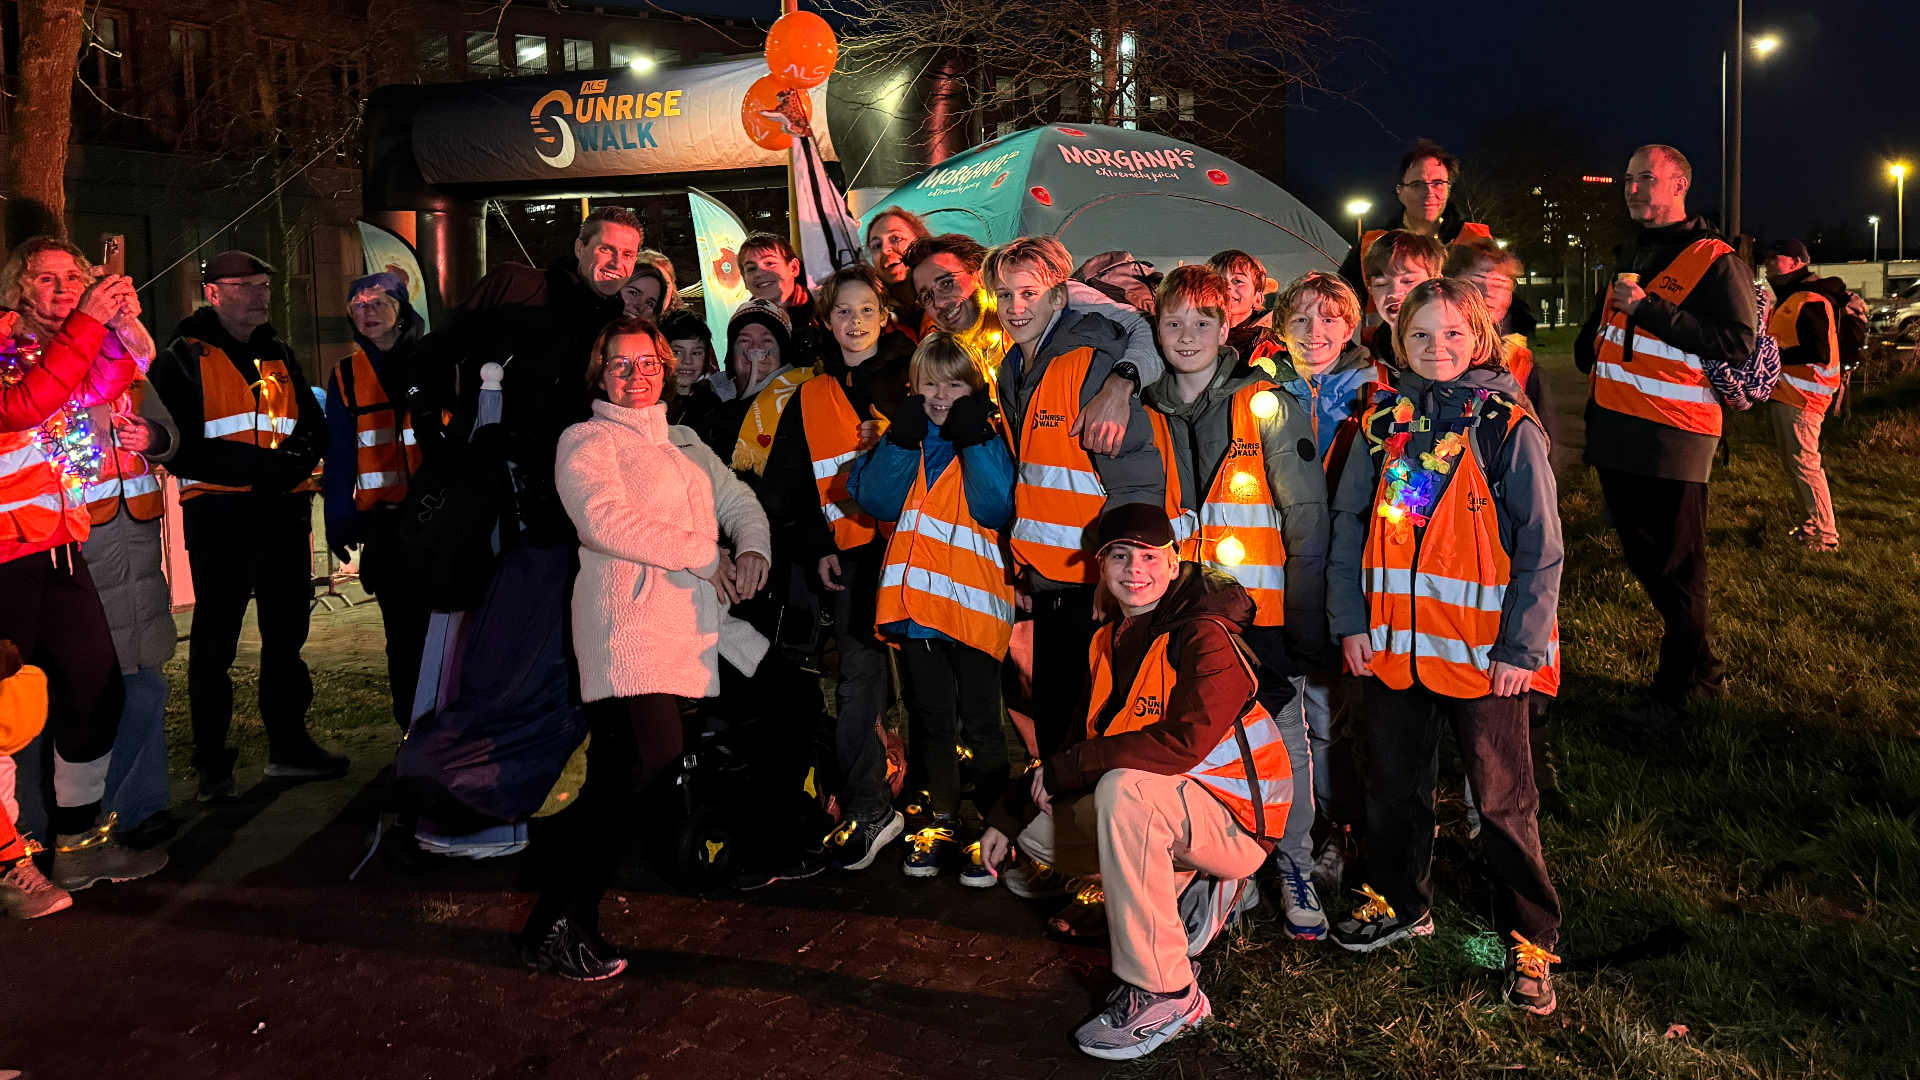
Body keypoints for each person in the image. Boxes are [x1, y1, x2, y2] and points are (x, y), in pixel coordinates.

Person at [1326, 277, 1563, 1015]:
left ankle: (1530, 938)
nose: (1437, 349)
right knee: (1393, 788)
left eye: (1453, 334)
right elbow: (1349, 526)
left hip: (1485, 661)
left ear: (1480, 336)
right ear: (1399, 341)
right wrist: (1349, 621)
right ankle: (1402, 901)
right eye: (1420, 336)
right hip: (1396, 650)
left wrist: (1520, 651)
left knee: (1501, 801)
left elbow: (1542, 549)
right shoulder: (1384, 422)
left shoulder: (1505, 427)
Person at [980, 504, 1292, 1061]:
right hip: (1175, 807)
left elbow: (1184, 744)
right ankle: (1176, 888)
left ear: (1174, 564)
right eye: (1120, 555)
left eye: (1150, 556)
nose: (1135, 569)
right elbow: (1080, 741)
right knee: (1036, 836)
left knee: (1123, 791)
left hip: (1242, 821)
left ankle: (1168, 991)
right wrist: (1008, 813)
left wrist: (1068, 770)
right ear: (1101, 566)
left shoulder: (1205, 634)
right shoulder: (1109, 641)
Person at [515, 315, 772, 980]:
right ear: (599, 373)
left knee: (627, 771)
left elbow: (737, 499)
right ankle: (555, 921)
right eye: (621, 365)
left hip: (691, 626)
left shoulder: (683, 440)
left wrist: (751, 548)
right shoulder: (586, 441)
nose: (636, 375)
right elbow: (605, 522)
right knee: (651, 762)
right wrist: (703, 553)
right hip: (624, 629)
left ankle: (566, 905)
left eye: (648, 363)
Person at [1144, 265, 1329, 937]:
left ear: (1228, 328)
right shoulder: (1148, 408)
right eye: (1173, 322)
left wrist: (1308, 618)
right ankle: (1228, 869)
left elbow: (1307, 514)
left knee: (1283, 744)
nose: (1187, 335)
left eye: (1202, 322)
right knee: (1204, 742)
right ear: (1156, 329)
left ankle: (1294, 864)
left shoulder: (1266, 400)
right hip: (1188, 616)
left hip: (1266, 618)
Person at [0, 241, 167, 890]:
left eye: (75, 277)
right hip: (6, 558)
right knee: (10, 708)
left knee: (97, 690)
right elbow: (25, 406)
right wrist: (91, 324)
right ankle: (12, 860)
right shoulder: (7, 342)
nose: (63, 288)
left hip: (60, 549)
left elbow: (101, 384)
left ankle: (77, 840)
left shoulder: (65, 344)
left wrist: (121, 325)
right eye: (46, 278)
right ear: (19, 287)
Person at [1574, 145, 1756, 731]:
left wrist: (1649, 310)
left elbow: (1737, 343)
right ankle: (1701, 671)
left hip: (1673, 437)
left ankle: (1677, 694)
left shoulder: (1715, 259)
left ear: (1680, 182)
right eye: (1627, 178)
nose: (1632, 188)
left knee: (1677, 571)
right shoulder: (1633, 252)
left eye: (1645, 178)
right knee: (1648, 563)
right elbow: (1613, 333)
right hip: (1618, 433)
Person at [149, 250, 342, 801]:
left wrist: (290, 470)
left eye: (264, 285)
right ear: (214, 292)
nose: (261, 294)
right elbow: (177, 447)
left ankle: (289, 748)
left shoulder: (278, 351)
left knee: (287, 639)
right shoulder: (183, 357)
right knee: (215, 646)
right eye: (248, 286)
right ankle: (213, 766)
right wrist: (266, 474)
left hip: (282, 514)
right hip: (221, 516)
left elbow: (310, 423)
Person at [989, 237, 1176, 761]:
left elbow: (1136, 481)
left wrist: (1116, 573)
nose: (1015, 307)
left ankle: (1089, 840)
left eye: (1029, 293)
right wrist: (1022, 564)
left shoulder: (1091, 365)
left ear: (1058, 298)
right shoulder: (1011, 369)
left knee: (1089, 731)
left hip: (1091, 591)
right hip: (1047, 581)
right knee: (1054, 726)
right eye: (1004, 295)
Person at [761, 266, 916, 872]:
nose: (854, 324)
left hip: (923, 552)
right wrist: (814, 546)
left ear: (885, 315)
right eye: (842, 314)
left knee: (938, 689)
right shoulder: (811, 395)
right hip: (852, 558)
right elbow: (792, 487)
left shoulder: (916, 376)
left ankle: (939, 805)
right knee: (858, 681)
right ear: (825, 322)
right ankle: (869, 805)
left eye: (865, 311)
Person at [846, 332, 1017, 882]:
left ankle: (995, 831)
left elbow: (996, 506)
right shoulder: (906, 438)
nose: (940, 395)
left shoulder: (989, 437)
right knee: (933, 722)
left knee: (984, 727)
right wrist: (898, 442)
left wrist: (976, 441)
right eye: (929, 384)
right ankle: (940, 823)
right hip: (919, 611)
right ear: (913, 389)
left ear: (973, 389)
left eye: (953, 384)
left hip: (974, 612)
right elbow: (873, 499)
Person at [1271, 270, 1397, 891]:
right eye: (1298, 320)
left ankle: (1344, 825)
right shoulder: (1267, 392)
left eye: (1328, 320)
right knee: (1291, 705)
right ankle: (1295, 826)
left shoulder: (1375, 396)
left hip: (1350, 568)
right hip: (1287, 566)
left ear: (1351, 328)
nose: (1313, 332)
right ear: (1279, 329)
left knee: (1336, 710)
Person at [409, 204, 640, 529]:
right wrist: (434, 437)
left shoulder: (618, 331)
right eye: (606, 249)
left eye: (628, 254)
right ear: (580, 247)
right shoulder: (515, 285)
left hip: (562, 495)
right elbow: (433, 353)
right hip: (477, 480)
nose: (617, 263)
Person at [905, 232, 1168, 425]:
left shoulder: (1054, 297)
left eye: (946, 283)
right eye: (927, 296)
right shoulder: (967, 350)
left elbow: (1150, 329)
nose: (939, 302)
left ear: (979, 273)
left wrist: (1119, 385)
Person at [323, 272, 428, 731]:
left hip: (436, 520)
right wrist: (339, 516)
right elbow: (339, 452)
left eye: (377, 303)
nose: (366, 313)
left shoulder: (434, 360)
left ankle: (448, 727)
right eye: (357, 307)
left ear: (402, 309)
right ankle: (411, 729)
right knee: (401, 638)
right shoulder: (346, 373)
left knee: (443, 630)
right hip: (385, 525)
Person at [1760, 238, 1841, 552]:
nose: (1767, 263)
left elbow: (1818, 351)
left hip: (1805, 397)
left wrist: (1773, 356)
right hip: (1789, 394)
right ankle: (1811, 528)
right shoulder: (1792, 297)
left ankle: (1824, 536)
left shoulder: (1809, 298)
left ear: (1795, 262)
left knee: (1805, 465)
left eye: (1774, 258)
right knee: (1795, 464)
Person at [1339, 140, 1489, 300]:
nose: (1428, 192)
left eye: (1438, 183)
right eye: (1417, 184)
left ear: (1448, 188)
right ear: (1400, 191)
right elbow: (1337, 305)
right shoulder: (1371, 246)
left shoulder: (1477, 239)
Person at [1444, 238, 1553, 445]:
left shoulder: (1521, 360)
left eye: (1500, 284)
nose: (1489, 292)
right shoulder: (1432, 350)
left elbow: (1542, 437)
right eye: (1478, 279)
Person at [709, 298, 813, 476]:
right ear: (731, 351)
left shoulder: (803, 400)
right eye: (744, 341)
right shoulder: (707, 400)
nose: (755, 349)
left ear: (783, 351)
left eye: (766, 341)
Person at [1361, 231, 1446, 368]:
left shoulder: (1465, 349)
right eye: (1381, 284)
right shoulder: (1373, 358)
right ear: (1371, 290)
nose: (1394, 292)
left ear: (1437, 284)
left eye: (1408, 281)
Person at [739, 232, 825, 367]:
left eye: (769, 263)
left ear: (794, 267)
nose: (760, 273)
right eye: (751, 268)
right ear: (744, 279)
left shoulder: (826, 314)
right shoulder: (741, 325)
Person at [863, 206, 932, 332]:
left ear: (922, 242)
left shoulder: (951, 296)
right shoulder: (870, 313)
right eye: (876, 246)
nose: (885, 250)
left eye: (896, 238)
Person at [1208, 250, 1279, 362]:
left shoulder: (1273, 343)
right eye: (1218, 280)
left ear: (1257, 299)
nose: (1227, 286)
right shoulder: (1194, 336)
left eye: (1237, 280)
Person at [662, 310, 723, 433]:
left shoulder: (711, 404)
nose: (687, 361)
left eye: (696, 353)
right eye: (677, 352)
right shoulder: (651, 401)